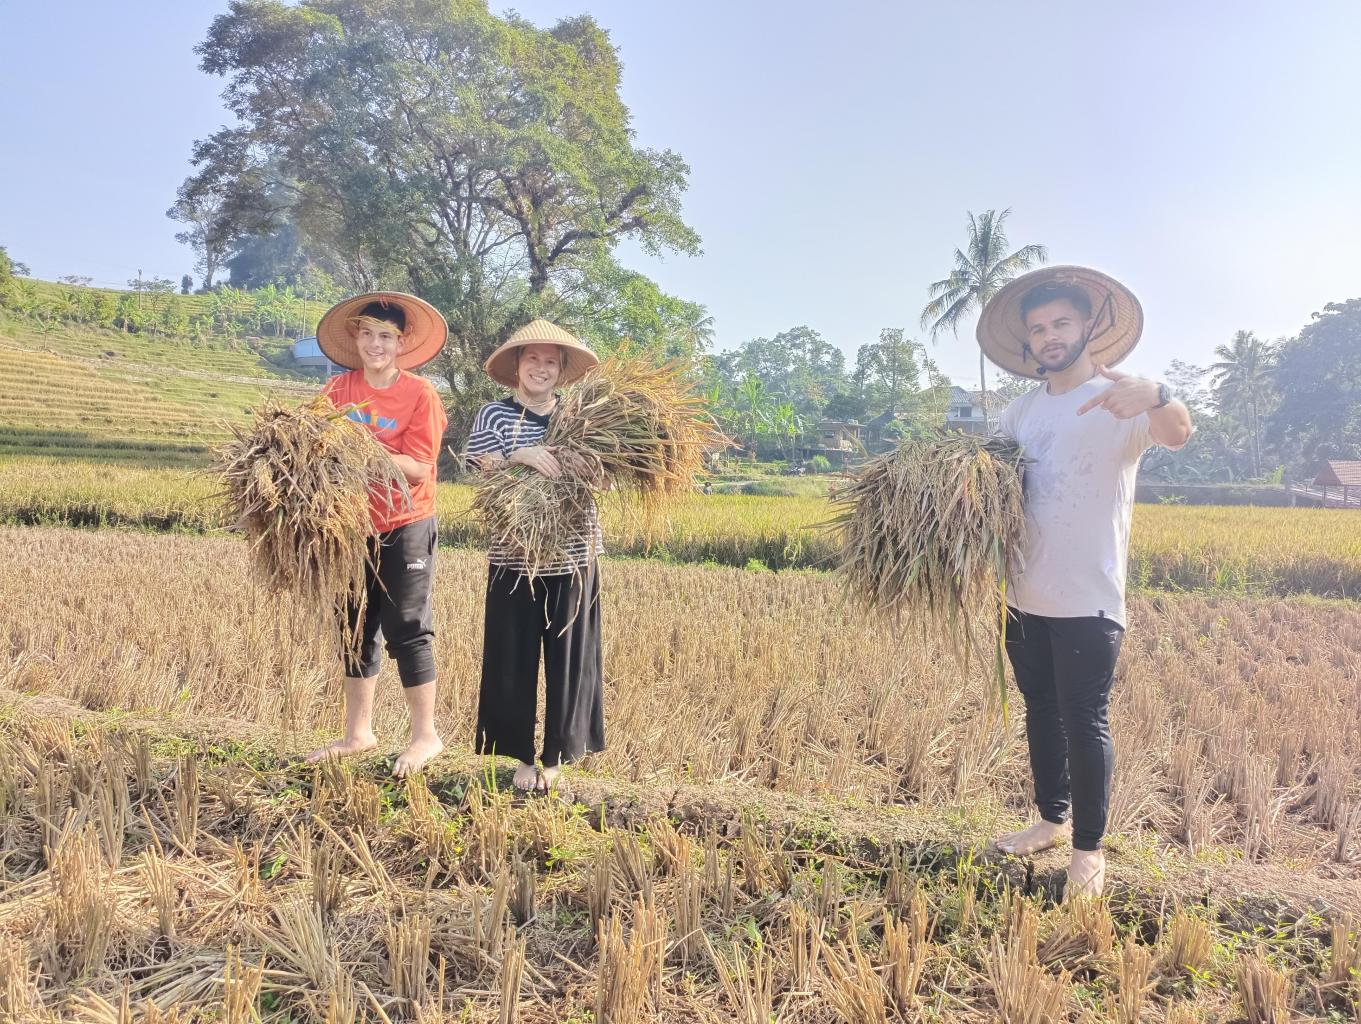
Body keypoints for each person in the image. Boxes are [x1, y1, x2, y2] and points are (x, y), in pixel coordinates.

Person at [976, 266, 1193, 896]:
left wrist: (1158, 395)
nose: (1049, 335)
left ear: (1089, 327)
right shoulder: (1021, 411)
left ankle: (1088, 852)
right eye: (1039, 328)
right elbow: (991, 485)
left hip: (1089, 599)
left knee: (1084, 719)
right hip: (1022, 593)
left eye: (1061, 323)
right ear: (1028, 341)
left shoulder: (1120, 398)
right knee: (1040, 710)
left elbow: (1178, 434)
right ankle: (1050, 820)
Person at [305, 293, 450, 778]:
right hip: (349, 524)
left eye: (385, 336)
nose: (375, 344)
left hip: (406, 522)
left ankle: (425, 736)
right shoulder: (337, 390)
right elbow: (312, 447)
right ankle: (357, 734)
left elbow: (419, 467)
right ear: (355, 338)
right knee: (352, 624)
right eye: (367, 334)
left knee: (407, 626)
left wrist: (361, 449)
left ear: (401, 343)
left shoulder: (420, 395)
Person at [467, 319, 607, 794]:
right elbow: (480, 471)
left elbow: (608, 479)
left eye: (551, 361)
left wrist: (588, 467)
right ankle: (520, 756)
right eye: (533, 359)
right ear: (517, 365)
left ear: (562, 370)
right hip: (514, 555)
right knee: (511, 655)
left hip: (573, 554)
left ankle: (557, 757)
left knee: (570, 657)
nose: (541, 368)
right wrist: (519, 456)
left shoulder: (583, 416)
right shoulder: (493, 415)